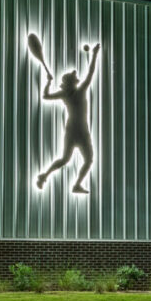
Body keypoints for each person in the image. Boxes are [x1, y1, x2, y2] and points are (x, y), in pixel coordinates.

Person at [36, 43, 100, 193]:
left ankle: (45, 176)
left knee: (66, 159)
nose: (77, 79)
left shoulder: (64, 94)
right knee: (88, 160)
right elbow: (90, 73)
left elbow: (45, 96)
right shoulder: (80, 90)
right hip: (81, 130)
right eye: (74, 78)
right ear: (73, 82)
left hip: (72, 129)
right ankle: (75, 184)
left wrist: (48, 83)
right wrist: (95, 55)